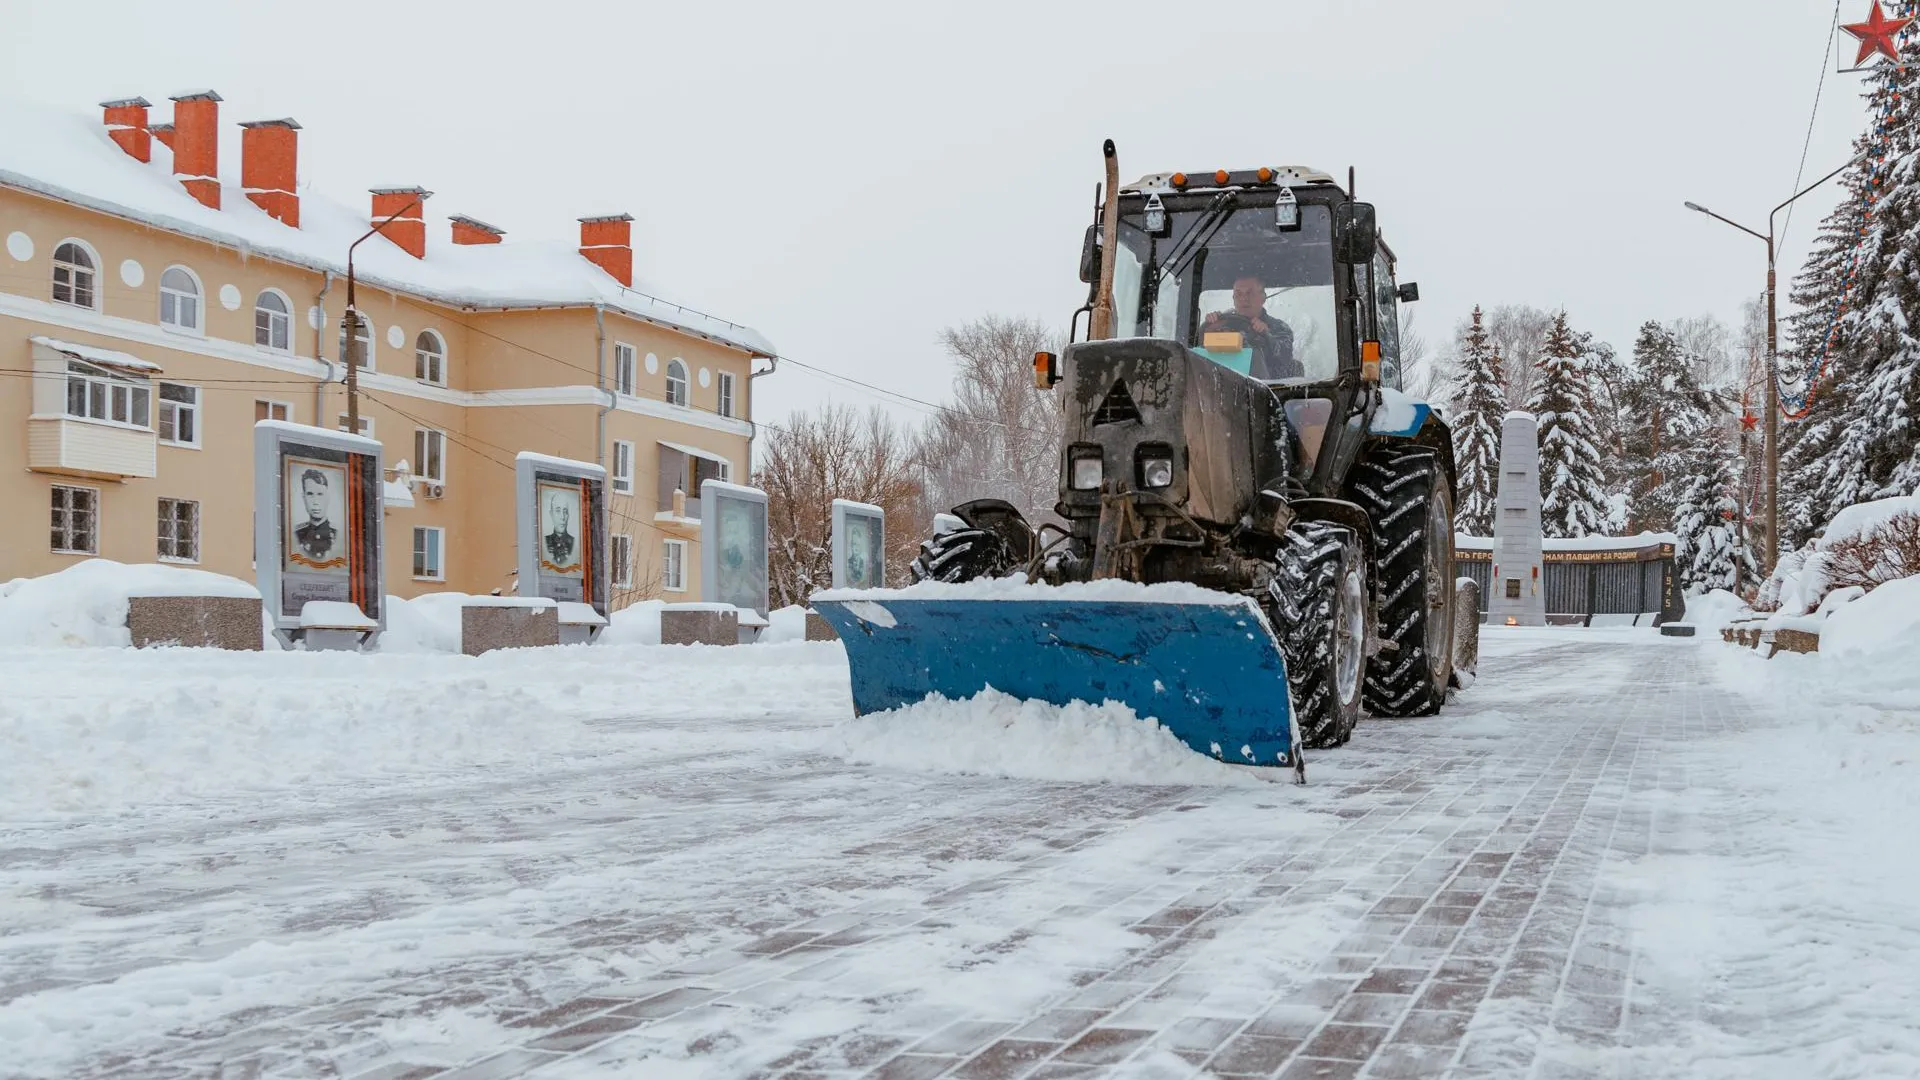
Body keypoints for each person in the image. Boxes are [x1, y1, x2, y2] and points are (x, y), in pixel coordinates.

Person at [1202, 275, 1301, 379]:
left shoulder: (1279, 327)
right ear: (1233, 298)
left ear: (1263, 298)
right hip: (1224, 385)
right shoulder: (1221, 325)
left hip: (1270, 387)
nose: (1244, 298)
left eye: (1250, 293)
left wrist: (1266, 335)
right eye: (1238, 294)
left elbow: (1285, 356)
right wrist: (1209, 330)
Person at [294, 468, 337, 561]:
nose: (315, 502)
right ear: (303, 497)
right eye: (310, 494)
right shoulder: (295, 534)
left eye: (320, 494)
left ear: (327, 497)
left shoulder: (338, 533)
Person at [545, 499, 576, 566]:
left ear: (568, 515)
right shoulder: (544, 542)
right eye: (558, 511)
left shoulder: (575, 542)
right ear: (551, 514)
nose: (562, 517)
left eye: (565, 511)